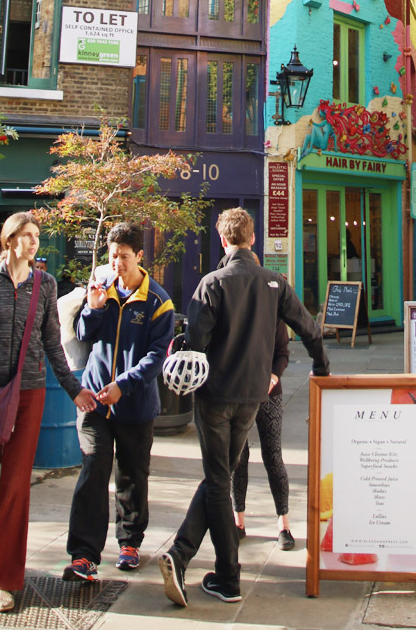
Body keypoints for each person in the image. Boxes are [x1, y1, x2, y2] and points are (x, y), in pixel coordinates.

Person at [158, 207, 330, 608]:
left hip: (215, 395)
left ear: (222, 241)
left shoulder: (211, 284)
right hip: (254, 396)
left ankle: (226, 577)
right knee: (219, 478)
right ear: (252, 239)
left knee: (218, 479)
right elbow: (309, 328)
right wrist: (322, 369)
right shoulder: (275, 283)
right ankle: (188, 559)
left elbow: (195, 345)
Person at [0, 212, 97, 614]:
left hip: (31, 393)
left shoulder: (45, 284)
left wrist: (73, 390)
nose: (35, 242)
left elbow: (53, 343)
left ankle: (2, 579)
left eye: (37, 235)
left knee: (15, 486)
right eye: (27, 235)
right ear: (9, 239)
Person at [63, 222, 175, 581]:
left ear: (140, 256)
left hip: (135, 405)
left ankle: (130, 542)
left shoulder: (158, 301)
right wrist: (93, 308)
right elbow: (82, 335)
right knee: (94, 470)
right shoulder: (101, 289)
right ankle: (83, 554)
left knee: (132, 474)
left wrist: (123, 386)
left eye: (124, 257)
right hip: (96, 402)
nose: (117, 264)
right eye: (113, 257)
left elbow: (156, 356)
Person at [231, 257, 294, 549]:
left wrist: (271, 377)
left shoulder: (274, 313)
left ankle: (283, 524)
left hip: (269, 393)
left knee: (273, 455)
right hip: (238, 393)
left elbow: (283, 351)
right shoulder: (234, 309)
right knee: (238, 458)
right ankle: (238, 520)